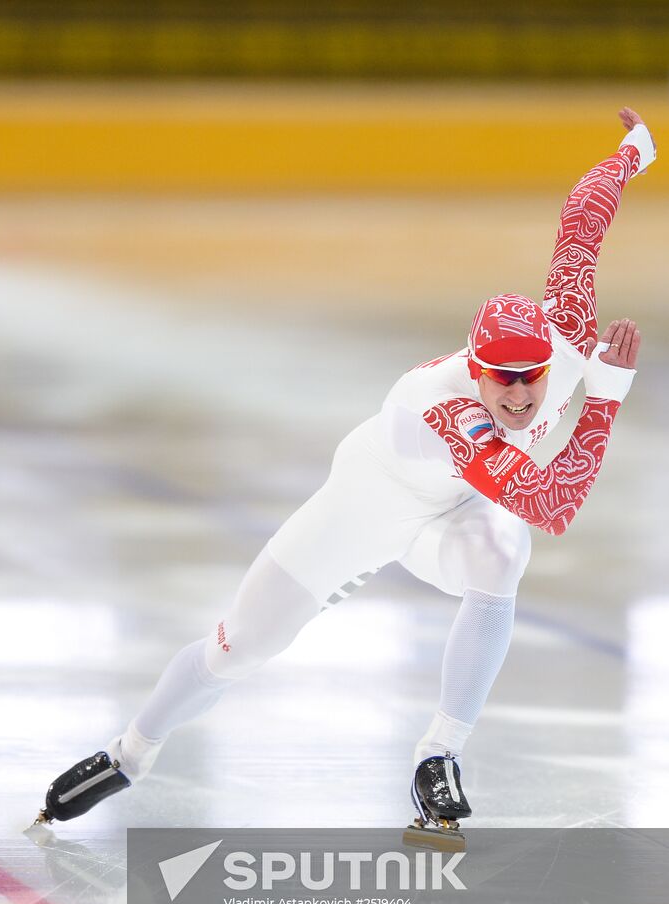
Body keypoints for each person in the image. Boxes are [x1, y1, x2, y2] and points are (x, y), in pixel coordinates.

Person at [35, 108, 655, 843]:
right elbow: (553, 503)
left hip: (450, 514)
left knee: (501, 549)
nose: (521, 396)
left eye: (532, 378)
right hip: (364, 510)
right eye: (503, 381)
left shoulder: (570, 331)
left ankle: (437, 756)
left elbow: (581, 221)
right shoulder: (448, 412)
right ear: (475, 370)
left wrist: (630, 154)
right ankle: (131, 753)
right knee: (239, 650)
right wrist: (608, 399)